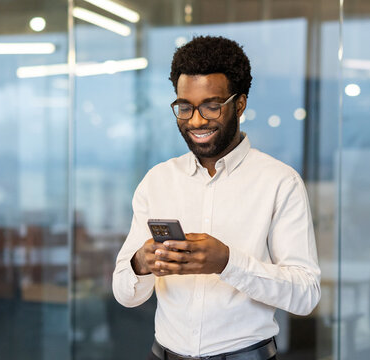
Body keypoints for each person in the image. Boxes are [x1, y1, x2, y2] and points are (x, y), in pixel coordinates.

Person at [112, 35, 320, 360]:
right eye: (185, 107)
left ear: (239, 104)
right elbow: (126, 295)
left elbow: (306, 295)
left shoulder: (280, 182)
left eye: (211, 106)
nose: (196, 120)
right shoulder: (157, 181)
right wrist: (140, 263)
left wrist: (226, 262)